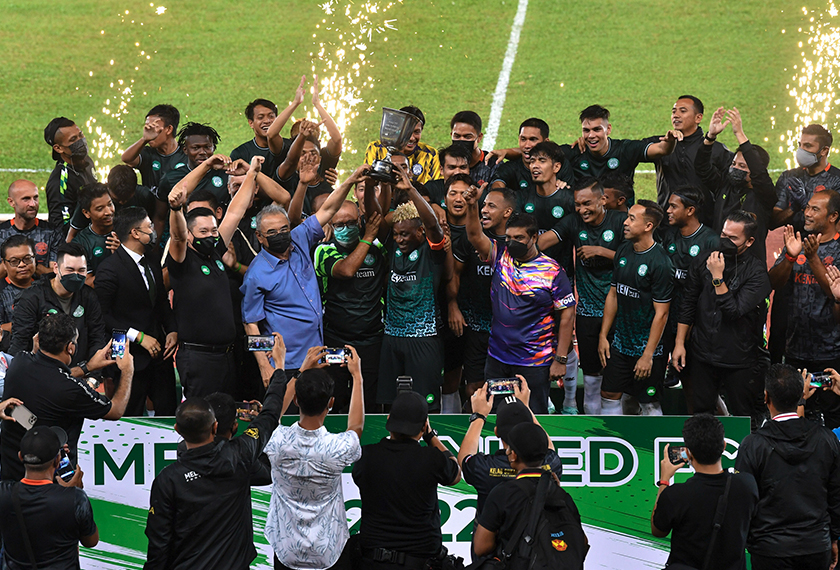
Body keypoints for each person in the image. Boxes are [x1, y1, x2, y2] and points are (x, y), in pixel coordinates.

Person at [143, 333, 289, 570]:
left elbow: (158, 546)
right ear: (215, 427)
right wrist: (279, 368)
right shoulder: (240, 454)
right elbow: (270, 415)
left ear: (177, 430)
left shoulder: (167, 480)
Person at [241, 162, 359, 381]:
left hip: (316, 355)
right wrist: (265, 366)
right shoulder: (256, 274)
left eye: (284, 229)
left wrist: (350, 181)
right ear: (259, 237)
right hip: (285, 364)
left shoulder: (299, 238)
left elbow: (329, 209)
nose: (280, 235)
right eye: (272, 232)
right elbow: (250, 324)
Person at [463, 182, 575, 413]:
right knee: (495, 416)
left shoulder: (552, 271)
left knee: (531, 418)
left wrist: (560, 359)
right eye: (509, 237)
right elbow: (474, 235)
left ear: (534, 237)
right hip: (498, 359)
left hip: (534, 361)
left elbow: (567, 315)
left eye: (519, 238)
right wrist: (472, 205)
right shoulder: (500, 256)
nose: (512, 242)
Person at [166, 156, 263, 398]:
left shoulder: (216, 252)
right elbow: (177, 235)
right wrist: (176, 209)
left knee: (226, 415)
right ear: (190, 235)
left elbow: (235, 212)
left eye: (213, 230)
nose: (210, 235)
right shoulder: (182, 261)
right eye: (203, 231)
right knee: (201, 417)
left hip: (227, 356)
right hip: (199, 359)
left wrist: (252, 173)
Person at [1, 313, 134, 481]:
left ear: (38, 339)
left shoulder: (19, 361)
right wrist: (127, 371)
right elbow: (116, 410)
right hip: (50, 480)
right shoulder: (72, 390)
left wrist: (88, 367)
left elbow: (48, 375)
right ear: (70, 348)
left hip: (10, 473)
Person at [264, 347, 364, 570]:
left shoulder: (276, 439)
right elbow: (356, 427)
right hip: (329, 550)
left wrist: (301, 371)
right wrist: (357, 377)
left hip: (286, 549)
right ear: (331, 403)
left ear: (296, 400)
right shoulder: (337, 448)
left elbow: (270, 415)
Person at [735, 364, 840, 570]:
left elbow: (742, 500)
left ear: (766, 397)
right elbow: (836, 495)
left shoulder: (752, 445)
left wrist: (751, 541)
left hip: (769, 550)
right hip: (815, 546)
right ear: (801, 395)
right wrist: (833, 537)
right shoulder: (826, 439)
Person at [539, 177, 627, 415]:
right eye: (578, 204)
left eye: (587, 203)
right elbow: (542, 242)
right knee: (590, 377)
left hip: (620, 312)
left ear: (603, 200)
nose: (582, 209)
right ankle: (590, 429)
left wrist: (601, 251)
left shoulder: (620, 222)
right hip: (587, 313)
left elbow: (637, 258)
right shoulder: (573, 222)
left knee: (617, 377)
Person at [673, 211, 771, 426]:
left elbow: (733, 311)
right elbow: (688, 303)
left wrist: (717, 277)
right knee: (701, 414)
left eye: (733, 238)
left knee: (743, 417)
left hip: (739, 360)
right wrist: (680, 343)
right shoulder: (703, 260)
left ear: (749, 241)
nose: (725, 241)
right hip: (702, 354)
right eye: (724, 235)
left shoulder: (757, 274)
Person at [352, 391, 461, 570]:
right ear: (423, 426)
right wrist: (430, 436)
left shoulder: (366, 457)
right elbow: (455, 474)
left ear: (389, 420)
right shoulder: (431, 458)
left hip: (373, 562)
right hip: (420, 562)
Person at [374, 163, 447, 409]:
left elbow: (434, 226)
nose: (399, 239)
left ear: (420, 232)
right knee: (390, 404)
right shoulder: (393, 246)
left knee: (425, 405)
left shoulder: (432, 252)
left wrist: (411, 191)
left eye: (405, 234)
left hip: (423, 337)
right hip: (392, 336)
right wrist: (379, 185)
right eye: (396, 234)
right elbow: (377, 220)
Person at [95, 206, 178, 416]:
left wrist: (172, 330)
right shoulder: (108, 269)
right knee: (129, 414)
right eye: (149, 226)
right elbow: (103, 317)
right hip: (125, 352)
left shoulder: (152, 260)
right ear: (135, 233)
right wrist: (138, 337)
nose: (153, 230)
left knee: (167, 412)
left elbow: (161, 302)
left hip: (159, 353)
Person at [769, 190, 840, 428]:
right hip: (795, 350)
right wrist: (790, 257)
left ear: (833, 216)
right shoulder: (797, 243)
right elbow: (774, 283)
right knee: (798, 414)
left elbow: (834, 293)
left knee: (833, 417)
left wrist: (813, 258)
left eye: (815, 209)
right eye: (807, 207)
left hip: (831, 352)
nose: (807, 213)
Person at [651, 414, 758, 570]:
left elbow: (658, 530)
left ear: (688, 453)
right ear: (723, 446)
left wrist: (664, 480)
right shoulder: (747, 485)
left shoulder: (676, 494)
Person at [472, 422, 586, 565]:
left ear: (513, 455)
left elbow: (481, 547)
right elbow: (582, 543)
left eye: (509, 449)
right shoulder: (561, 495)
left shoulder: (502, 493)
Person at [598, 201, 673, 415]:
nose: (625, 222)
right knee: (609, 394)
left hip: (649, 350)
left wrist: (647, 355)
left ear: (648, 226)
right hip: (620, 345)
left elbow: (662, 314)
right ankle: (612, 436)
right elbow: (614, 294)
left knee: (649, 403)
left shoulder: (661, 263)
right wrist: (604, 335)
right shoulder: (623, 250)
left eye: (632, 218)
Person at [314, 199, 386, 412]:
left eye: (351, 223)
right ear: (331, 225)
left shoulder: (378, 249)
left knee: (369, 400)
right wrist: (368, 237)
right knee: (335, 396)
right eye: (339, 224)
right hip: (336, 338)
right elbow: (346, 270)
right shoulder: (323, 250)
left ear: (360, 221)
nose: (346, 228)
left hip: (372, 339)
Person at [457, 380, 563, 519]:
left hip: (494, 532)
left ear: (496, 432)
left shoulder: (486, 468)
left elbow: (464, 458)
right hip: (536, 531)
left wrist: (479, 416)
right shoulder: (551, 465)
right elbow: (548, 447)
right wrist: (526, 408)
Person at [449, 186, 515, 404]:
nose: (485, 210)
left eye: (491, 206)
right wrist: (453, 305)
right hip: (476, 326)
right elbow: (455, 274)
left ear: (507, 212)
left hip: (507, 331)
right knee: (474, 388)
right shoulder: (470, 239)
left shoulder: (517, 244)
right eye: (483, 205)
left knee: (508, 390)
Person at [0, 425, 99, 569]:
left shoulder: (3, 493)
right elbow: (91, 541)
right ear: (58, 459)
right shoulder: (75, 499)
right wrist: (73, 492)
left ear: (20, 456)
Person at [9, 243, 109, 374]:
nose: (76, 275)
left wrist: (93, 377)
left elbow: (97, 337)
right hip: (41, 375)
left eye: (81, 270)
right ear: (56, 268)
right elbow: (20, 342)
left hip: (80, 374)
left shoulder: (88, 296)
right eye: (70, 270)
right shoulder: (31, 298)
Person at [695, 107, 775, 262]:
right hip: (719, 259)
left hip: (749, 265)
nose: (735, 168)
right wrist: (710, 137)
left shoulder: (763, 195)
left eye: (742, 166)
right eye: (734, 164)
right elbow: (701, 167)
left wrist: (740, 134)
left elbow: (759, 173)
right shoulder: (724, 185)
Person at [661, 187, 719, 393]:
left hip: (696, 321)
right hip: (669, 314)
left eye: (673, 206)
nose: (668, 210)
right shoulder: (669, 235)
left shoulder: (710, 240)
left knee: (696, 383)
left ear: (690, 210)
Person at [652, 95, 733, 223]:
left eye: (683, 111)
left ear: (698, 118)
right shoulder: (661, 144)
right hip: (667, 223)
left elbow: (733, 186)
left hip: (703, 223)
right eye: (674, 111)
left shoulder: (716, 150)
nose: (676, 115)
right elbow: (632, 151)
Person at [561, 104, 680, 189]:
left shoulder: (625, 150)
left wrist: (670, 141)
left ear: (608, 129)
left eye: (597, 129)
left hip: (620, 216)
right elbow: (549, 156)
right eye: (586, 130)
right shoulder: (575, 151)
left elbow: (662, 149)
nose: (591, 135)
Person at [772, 124, 840, 231]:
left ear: (824, 151)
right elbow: (773, 222)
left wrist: (805, 205)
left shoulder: (837, 180)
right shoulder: (788, 177)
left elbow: (836, 225)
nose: (801, 150)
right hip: (793, 241)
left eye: (808, 146)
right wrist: (793, 208)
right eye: (800, 145)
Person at [491, 118, 573, 194]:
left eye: (533, 139)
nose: (527, 145)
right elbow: (497, 186)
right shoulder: (511, 168)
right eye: (523, 139)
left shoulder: (561, 164)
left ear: (546, 141)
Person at [156, 122, 231, 206]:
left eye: (207, 147)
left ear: (214, 148)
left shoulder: (226, 175)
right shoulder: (171, 178)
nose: (202, 152)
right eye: (196, 148)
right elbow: (160, 214)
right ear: (185, 150)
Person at [121, 104, 186, 198]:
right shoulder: (148, 153)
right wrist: (144, 139)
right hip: (151, 206)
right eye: (147, 127)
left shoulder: (186, 154)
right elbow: (126, 158)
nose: (150, 132)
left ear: (168, 129)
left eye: (154, 127)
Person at [0, 179, 62, 278]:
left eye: (35, 198)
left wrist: (29, 263)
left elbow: (57, 274)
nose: (33, 204)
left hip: (42, 287)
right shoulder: (1, 233)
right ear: (11, 202)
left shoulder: (52, 232)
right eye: (26, 199)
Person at [364, 105, 441, 184]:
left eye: (416, 132)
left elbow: (438, 187)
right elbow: (368, 182)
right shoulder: (376, 148)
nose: (411, 138)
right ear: (397, 129)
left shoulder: (430, 155)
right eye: (407, 132)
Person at [43, 117, 96, 230]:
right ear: (58, 148)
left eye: (80, 135)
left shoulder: (86, 161)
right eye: (73, 139)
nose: (81, 141)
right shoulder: (59, 183)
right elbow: (60, 227)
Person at [71, 183, 118, 283]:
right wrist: (117, 261)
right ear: (86, 213)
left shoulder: (128, 231)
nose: (109, 212)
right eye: (100, 209)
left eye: (110, 204)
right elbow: (87, 283)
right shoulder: (80, 244)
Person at [0, 235, 37, 351]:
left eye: (27, 259)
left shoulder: (45, 286)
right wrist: (29, 321)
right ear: (4, 264)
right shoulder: (1, 291)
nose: (22, 265)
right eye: (14, 261)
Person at [230, 98, 280, 175]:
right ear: (251, 123)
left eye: (271, 116)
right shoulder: (240, 154)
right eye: (260, 117)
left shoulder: (289, 147)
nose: (267, 121)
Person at [449, 110, 498, 186]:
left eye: (467, 137)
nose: (461, 140)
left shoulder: (493, 164)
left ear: (479, 137)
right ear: (451, 135)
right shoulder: (443, 161)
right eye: (457, 136)